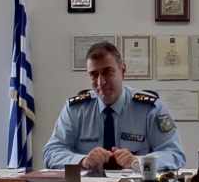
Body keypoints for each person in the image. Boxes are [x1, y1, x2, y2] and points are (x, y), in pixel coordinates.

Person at [43, 41, 186, 171]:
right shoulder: (75, 109)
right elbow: (52, 152)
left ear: (122, 71)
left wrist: (138, 161)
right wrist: (83, 161)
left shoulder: (151, 109)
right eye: (94, 75)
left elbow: (174, 153)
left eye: (107, 72)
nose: (101, 82)